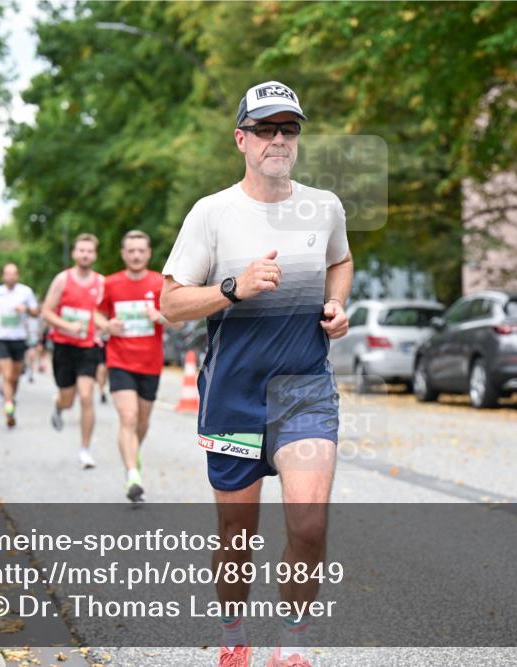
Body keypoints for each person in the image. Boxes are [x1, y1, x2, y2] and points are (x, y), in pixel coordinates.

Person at [161, 81, 352, 667]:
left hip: (304, 390)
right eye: (265, 128)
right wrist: (232, 288)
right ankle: (234, 636)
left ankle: (292, 647)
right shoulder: (212, 213)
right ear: (241, 139)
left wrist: (338, 305)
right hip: (234, 395)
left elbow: (339, 260)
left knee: (310, 523)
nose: (278, 139)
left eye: (288, 129)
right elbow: (170, 302)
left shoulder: (325, 206)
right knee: (236, 537)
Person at [96, 230, 181, 502]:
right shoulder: (110, 284)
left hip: (150, 363)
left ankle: (134, 453)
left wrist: (160, 317)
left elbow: (178, 321)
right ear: (123, 254)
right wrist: (107, 325)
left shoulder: (160, 283)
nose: (135, 255)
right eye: (130, 250)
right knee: (128, 417)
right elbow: (96, 315)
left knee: (142, 422)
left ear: (148, 253)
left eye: (140, 250)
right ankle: (132, 474)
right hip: (119, 361)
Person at [41, 233, 104, 467]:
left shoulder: (101, 283)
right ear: (74, 253)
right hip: (64, 346)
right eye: (81, 250)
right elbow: (46, 311)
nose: (85, 254)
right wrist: (68, 326)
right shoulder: (62, 279)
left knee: (87, 395)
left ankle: (85, 450)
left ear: (94, 255)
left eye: (89, 251)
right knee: (68, 399)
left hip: (88, 347)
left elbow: (105, 312)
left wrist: (104, 325)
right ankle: (59, 406)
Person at [0, 264, 40, 428]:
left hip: (19, 338)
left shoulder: (26, 292)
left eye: (13, 274)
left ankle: (11, 398)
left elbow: (36, 312)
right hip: (2, 338)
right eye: (7, 274)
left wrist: (25, 309)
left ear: (17, 276)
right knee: (6, 374)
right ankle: (9, 406)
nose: (10, 277)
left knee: (15, 377)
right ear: (2, 276)